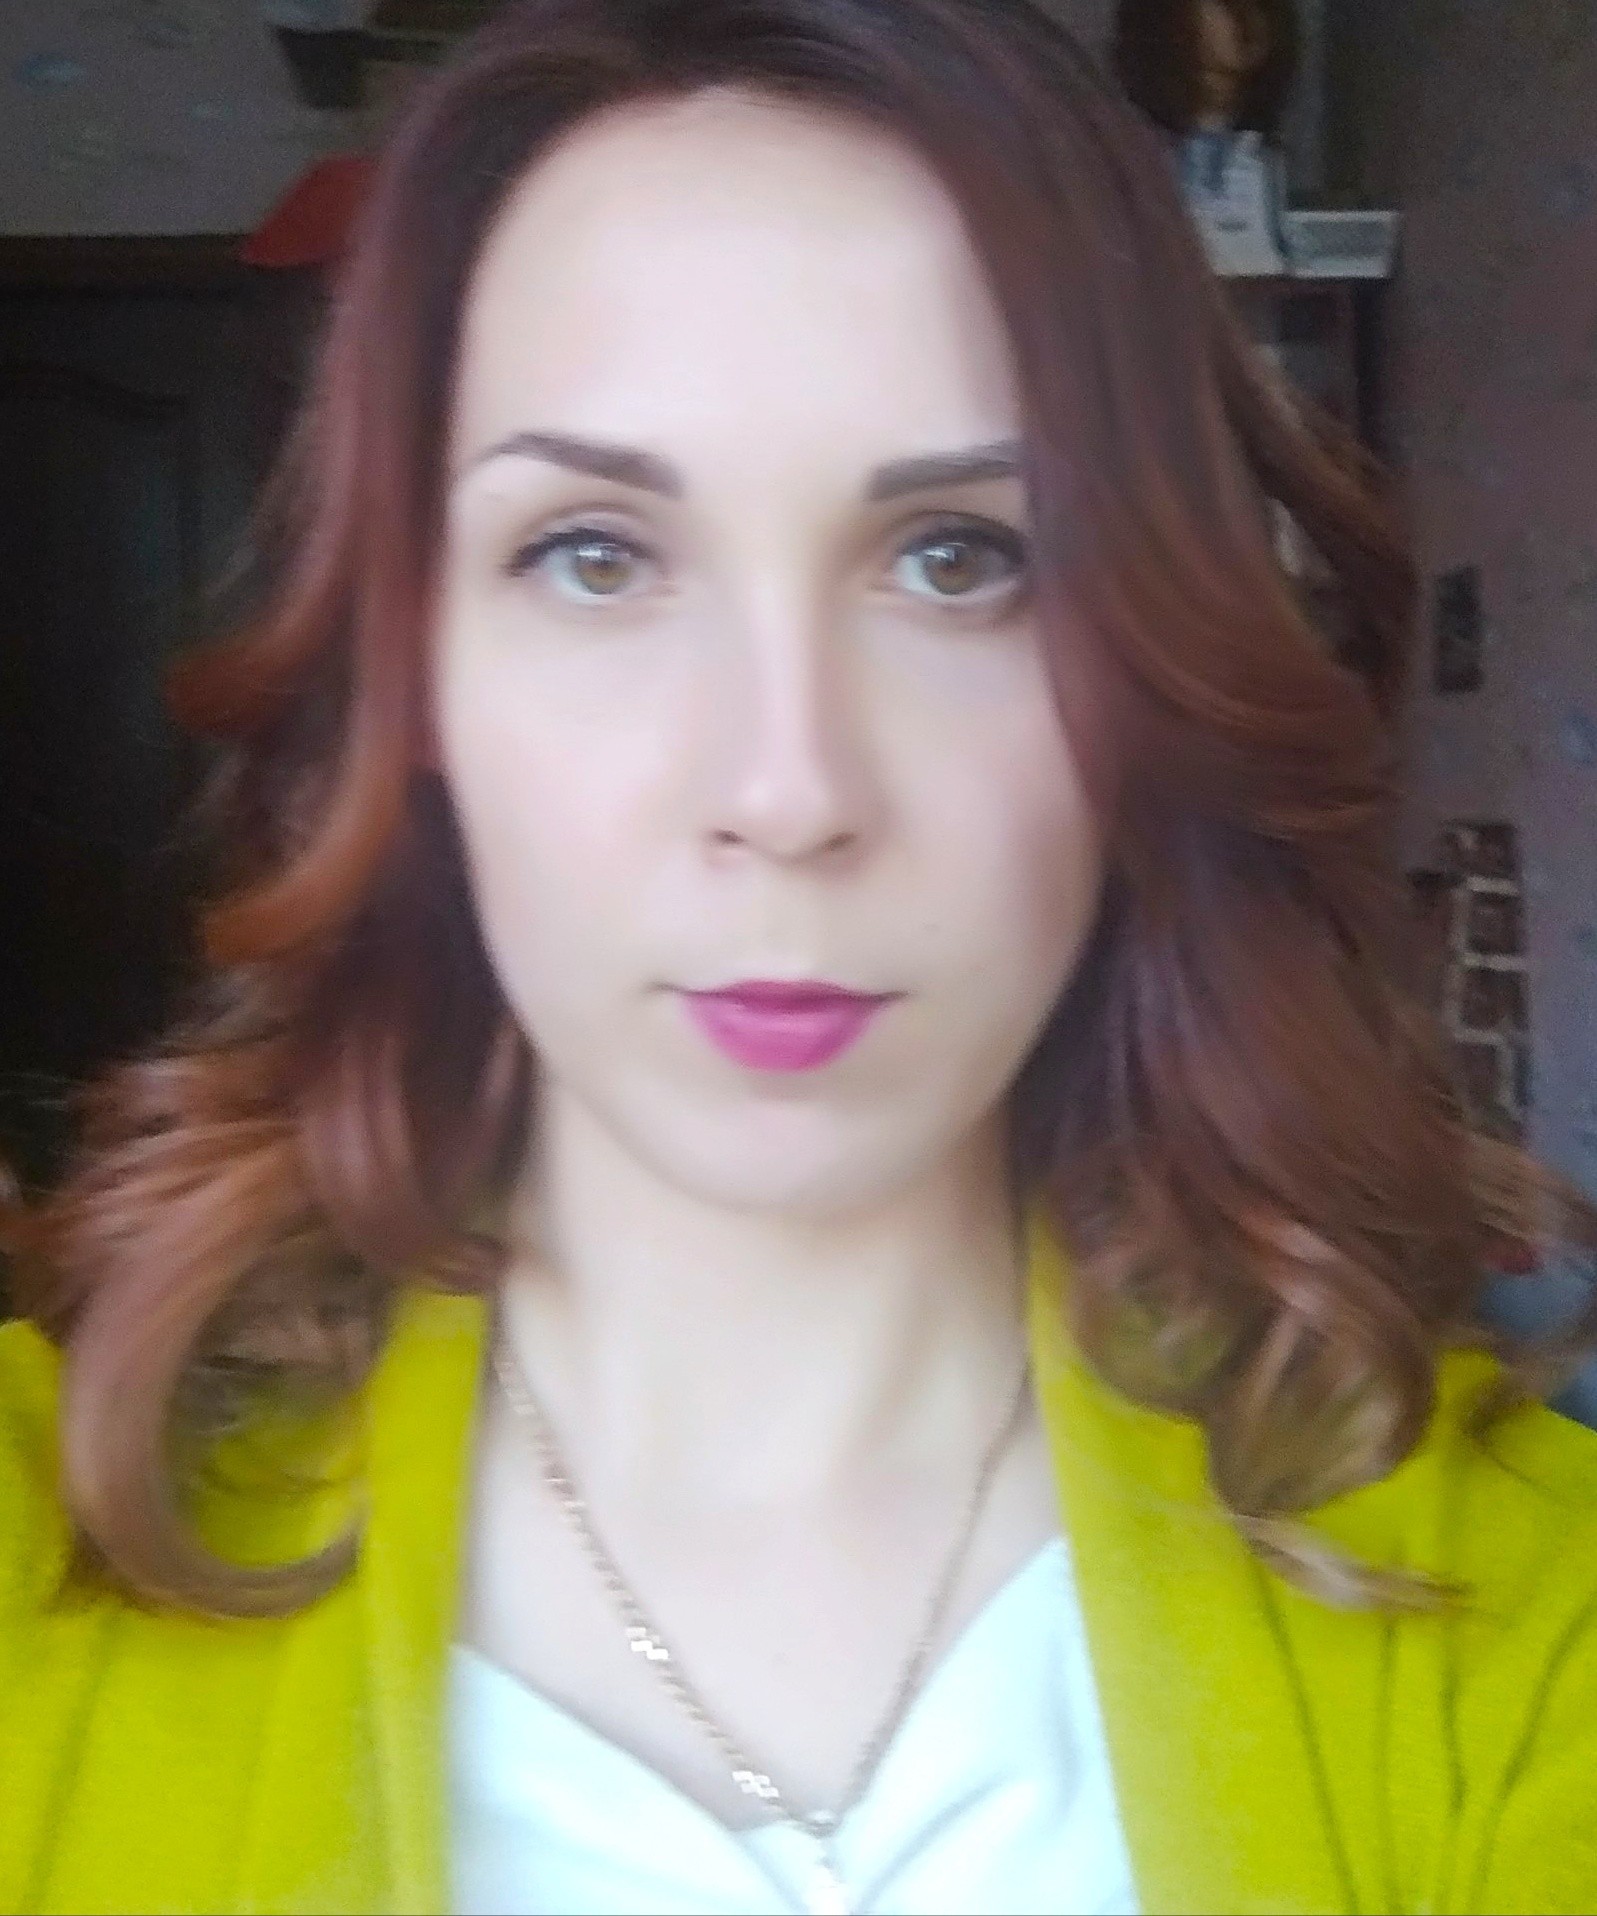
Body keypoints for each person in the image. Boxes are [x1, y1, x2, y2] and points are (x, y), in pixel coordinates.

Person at [3, 1, 1597, 1911]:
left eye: (958, 558)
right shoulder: (41, 1551)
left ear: (1148, 671)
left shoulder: (1526, 1611)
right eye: (595, 555)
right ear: (411, 677)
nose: (787, 790)